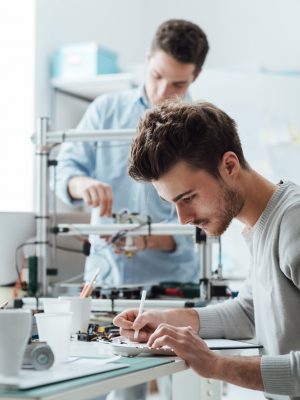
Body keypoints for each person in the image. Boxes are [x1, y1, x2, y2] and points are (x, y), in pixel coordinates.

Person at [114, 101, 300, 400]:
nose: (183, 218)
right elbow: (248, 312)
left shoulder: (294, 223)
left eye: (188, 197)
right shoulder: (265, 223)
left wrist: (214, 364)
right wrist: (168, 320)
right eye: (172, 203)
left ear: (229, 166)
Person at [55, 19, 209, 288]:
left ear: (194, 77)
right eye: (157, 76)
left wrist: (147, 239)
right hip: (103, 281)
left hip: (171, 286)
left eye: (177, 85)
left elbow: (203, 221)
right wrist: (81, 184)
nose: (162, 93)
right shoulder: (106, 110)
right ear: (148, 59)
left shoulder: (204, 130)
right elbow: (64, 170)